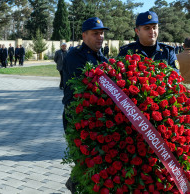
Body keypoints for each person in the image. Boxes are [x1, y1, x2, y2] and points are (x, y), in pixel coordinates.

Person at [62, 17, 109, 193]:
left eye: (102, 33)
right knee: (85, 160)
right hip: (77, 117)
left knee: (95, 160)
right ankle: (77, 185)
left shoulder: (102, 56)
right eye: (95, 33)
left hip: (96, 116)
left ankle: (75, 182)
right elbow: (88, 83)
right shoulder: (75, 56)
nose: (100, 37)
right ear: (84, 35)